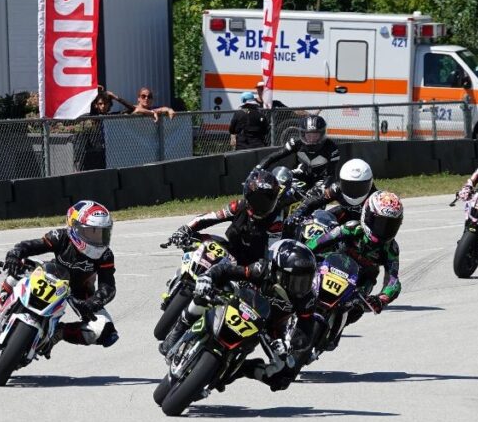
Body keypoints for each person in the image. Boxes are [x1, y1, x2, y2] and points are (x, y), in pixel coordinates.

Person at [160, 239, 317, 392]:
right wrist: (208, 277)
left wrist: (290, 345)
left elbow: (306, 329)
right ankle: (180, 328)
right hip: (237, 300)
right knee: (201, 295)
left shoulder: (306, 298)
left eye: (306, 280)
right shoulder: (261, 269)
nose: (301, 286)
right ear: (277, 270)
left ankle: (242, 369)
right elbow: (227, 270)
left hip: (268, 326)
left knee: (283, 377)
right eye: (296, 279)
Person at [0, 200, 119, 352]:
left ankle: (58, 333)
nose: (98, 238)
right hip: (51, 274)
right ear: (74, 227)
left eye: (102, 232)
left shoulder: (105, 255)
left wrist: (92, 302)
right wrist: (14, 254)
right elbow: (31, 246)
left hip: (79, 291)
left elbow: (108, 286)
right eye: (91, 232)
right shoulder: (61, 236)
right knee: (19, 266)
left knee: (107, 332)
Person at [304, 190, 404, 351]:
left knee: (356, 309)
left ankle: (336, 328)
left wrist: (381, 299)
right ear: (367, 215)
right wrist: (304, 253)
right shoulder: (352, 229)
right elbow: (321, 241)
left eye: (389, 225)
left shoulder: (391, 248)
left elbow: (393, 280)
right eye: (379, 223)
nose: (383, 229)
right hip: (331, 267)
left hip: (361, 282)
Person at [169, 168, 284, 266]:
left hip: (253, 267)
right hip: (232, 255)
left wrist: (253, 272)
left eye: (265, 201)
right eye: (256, 200)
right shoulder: (238, 206)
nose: (260, 205)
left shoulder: (276, 221)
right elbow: (211, 217)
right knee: (197, 239)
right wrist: (186, 229)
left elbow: (271, 255)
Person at [285, 158, 376, 231]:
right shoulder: (336, 188)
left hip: (366, 225)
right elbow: (316, 200)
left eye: (359, 187)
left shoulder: (376, 197)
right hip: (345, 216)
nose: (354, 191)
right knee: (318, 217)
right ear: (341, 182)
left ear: (370, 183)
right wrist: (298, 213)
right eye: (349, 186)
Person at [255, 115, 340, 189]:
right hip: (299, 176)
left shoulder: (332, 148)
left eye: (315, 135)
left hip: (320, 180)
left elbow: (331, 174)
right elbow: (274, 156)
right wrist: (258, 168)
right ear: (303, 134)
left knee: (317, 198)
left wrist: (323, 187)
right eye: (308, 135)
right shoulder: (296, 142)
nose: (311, 138)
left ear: (322, 134)